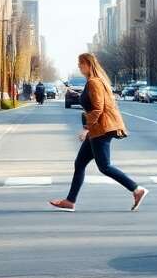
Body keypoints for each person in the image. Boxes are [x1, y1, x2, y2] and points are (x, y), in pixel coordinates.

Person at [49, 53, 148, 212]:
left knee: (105, 166)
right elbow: (92, 103)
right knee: (80, 163)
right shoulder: (93, 81)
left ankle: (137, 189)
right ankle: (70, 201)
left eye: (81, 64)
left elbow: (98, 108)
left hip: (101, 129)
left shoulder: (94, 82)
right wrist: (78, 95)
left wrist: (86, 128)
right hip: (97, 130)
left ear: (89, 64)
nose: (79, 66)